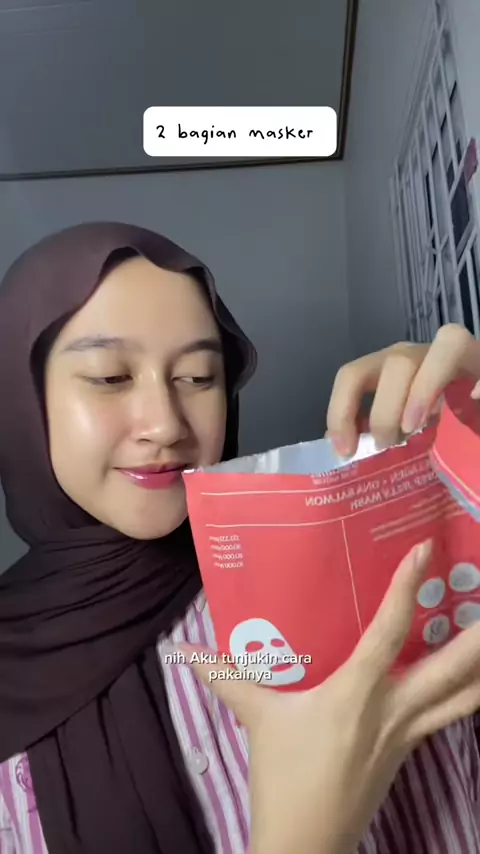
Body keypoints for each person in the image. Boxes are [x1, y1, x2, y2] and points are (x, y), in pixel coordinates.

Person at [0, 221, 479, 854]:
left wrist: (466, 453)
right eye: (110, 377)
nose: (166, 425)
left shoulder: (348, 561)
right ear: (20, 399)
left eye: (198, 377)